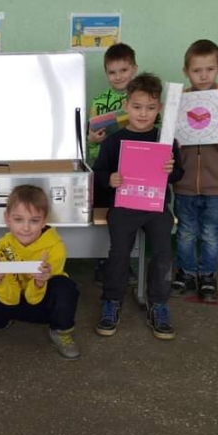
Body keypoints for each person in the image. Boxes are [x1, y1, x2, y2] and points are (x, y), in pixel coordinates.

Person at [93, 73, 184, 340]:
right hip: (123, 206)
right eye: (137, 107)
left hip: (156, 207)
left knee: (163, 253)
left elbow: (179, 174)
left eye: (150, 107)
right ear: (126, 106)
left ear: (159, 108)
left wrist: (170, 170)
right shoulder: (114, 140)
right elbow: (99, 173)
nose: (143, 114)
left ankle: (158, 303)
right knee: (119, 253)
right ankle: (112, 300)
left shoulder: (166, 141)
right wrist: (110, 179)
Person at [171, 39, 218, 303]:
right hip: (184, 184)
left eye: (210, 69)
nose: (203, 76)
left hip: (217, 185)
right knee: (185, 232)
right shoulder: (179, 102)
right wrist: (175, 144)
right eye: (196, 70)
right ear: (186, 72)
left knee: (210, 234)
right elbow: (167, 140)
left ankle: (207, 276)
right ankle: (185, 273)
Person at [0, 185, 81, 360]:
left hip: (42, 302)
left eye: (34, 221)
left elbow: (34, 299)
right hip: (14, 297)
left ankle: (60, 332)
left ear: (44, 221)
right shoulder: (1, 247)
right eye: (18, 219)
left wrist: (40, 282)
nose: (26, 228)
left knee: (65, 288)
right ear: (7, 219)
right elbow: (11, 298)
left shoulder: (56, 247)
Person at [87, 42, 139, 286]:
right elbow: (89, 140)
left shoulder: (143, 100)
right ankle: (102, 262)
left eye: (123, 70)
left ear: (134, 69)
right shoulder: (99, 101)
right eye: (112, 72)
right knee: (103, 217)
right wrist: (91, 140)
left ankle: (124, 262)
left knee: (127, 220)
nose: (118, 77)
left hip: (132, 171)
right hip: (104, 169)